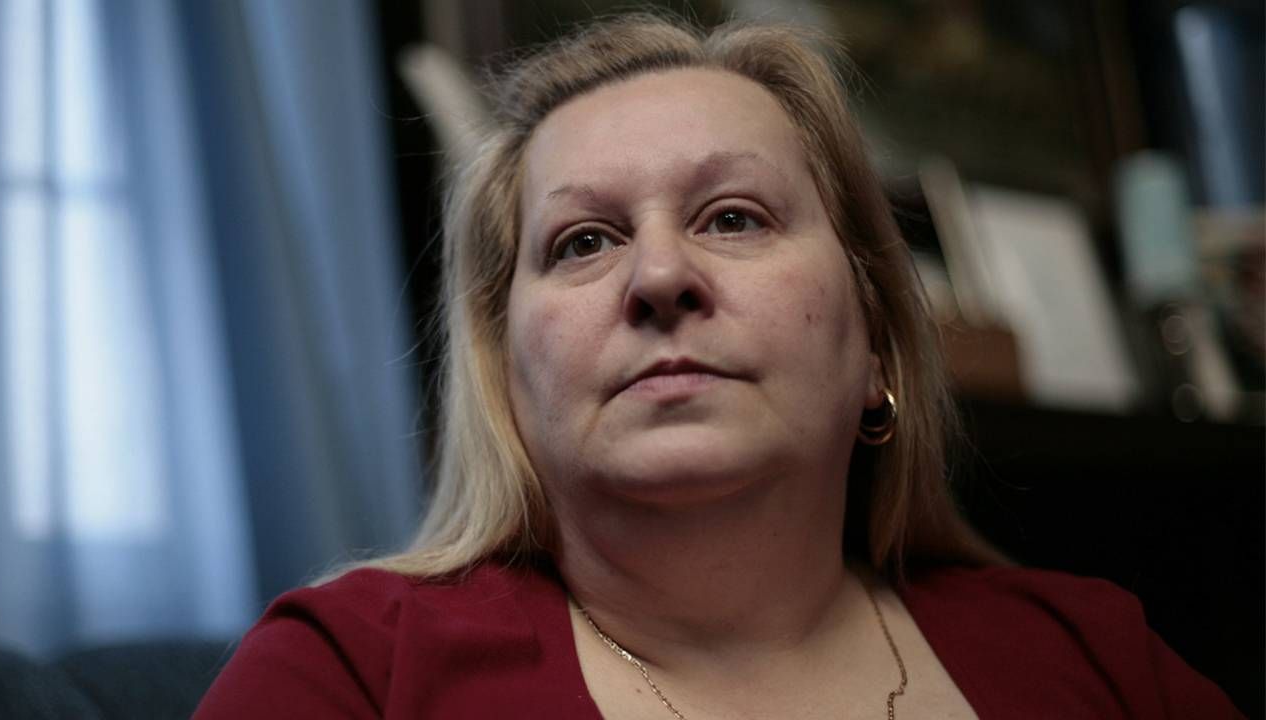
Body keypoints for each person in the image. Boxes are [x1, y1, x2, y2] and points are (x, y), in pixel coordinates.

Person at [195, 13, 1243, 719]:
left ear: (874, 338)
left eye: (731, 216)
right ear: (506, 375)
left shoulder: (1095, 660)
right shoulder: (344, 676)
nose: (658, 274)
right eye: (582, 242)